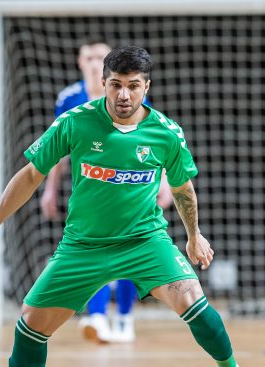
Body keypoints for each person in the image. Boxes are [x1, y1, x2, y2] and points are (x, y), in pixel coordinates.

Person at [0, 46, 259, 367]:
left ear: (146, 87)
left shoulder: (165, 133)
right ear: (103, 84)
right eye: (116, 85)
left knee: (193, 299)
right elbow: (31, 174)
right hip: (82, 246)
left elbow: (182, 188)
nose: (124, 95)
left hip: (145, 240)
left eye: (133, 86)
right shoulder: (76, 122)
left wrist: (194, 235)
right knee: (30, 325)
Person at [40, 39, 172, 343]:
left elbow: (156, 141)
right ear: (80, 62)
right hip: (90, 190)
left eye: (99, 56)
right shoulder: (70, 98)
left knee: (127, 250)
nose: (93, 61)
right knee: (93, 251)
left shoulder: (129, 98)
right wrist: (50, 190)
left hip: (130, 187)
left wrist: (164, 181)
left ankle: (124, 317)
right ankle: (98, 317)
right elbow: (56, 150)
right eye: (88, 56)